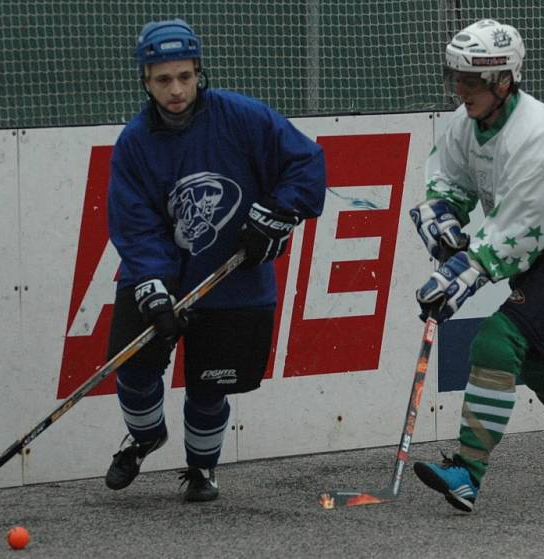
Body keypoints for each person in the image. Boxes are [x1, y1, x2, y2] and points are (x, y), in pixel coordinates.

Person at [104, 18, 326, 502]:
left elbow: (306, 163)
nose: (176, 89)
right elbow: (134, 221)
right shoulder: (135, 143)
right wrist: (153, 282)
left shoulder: (242, 116)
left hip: (233, 275)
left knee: (209, 384)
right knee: (135, 369)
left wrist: (279, 214)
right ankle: (145, 437)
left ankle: (201, 470)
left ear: (199, 72)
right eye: (163, 79)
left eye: (184, 76)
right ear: (145, 81)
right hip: (160, 273)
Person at [409, 19, 544, 512]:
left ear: (503, 82)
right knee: (540, 356)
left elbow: (519, 231)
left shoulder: (538, 135)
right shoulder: (469, 121)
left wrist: (460, 274)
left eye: (470, 81)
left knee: (497, 339)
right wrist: (443, 214)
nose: (459, 90)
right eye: (455, 78)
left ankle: (465, 472)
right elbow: (449, 176)